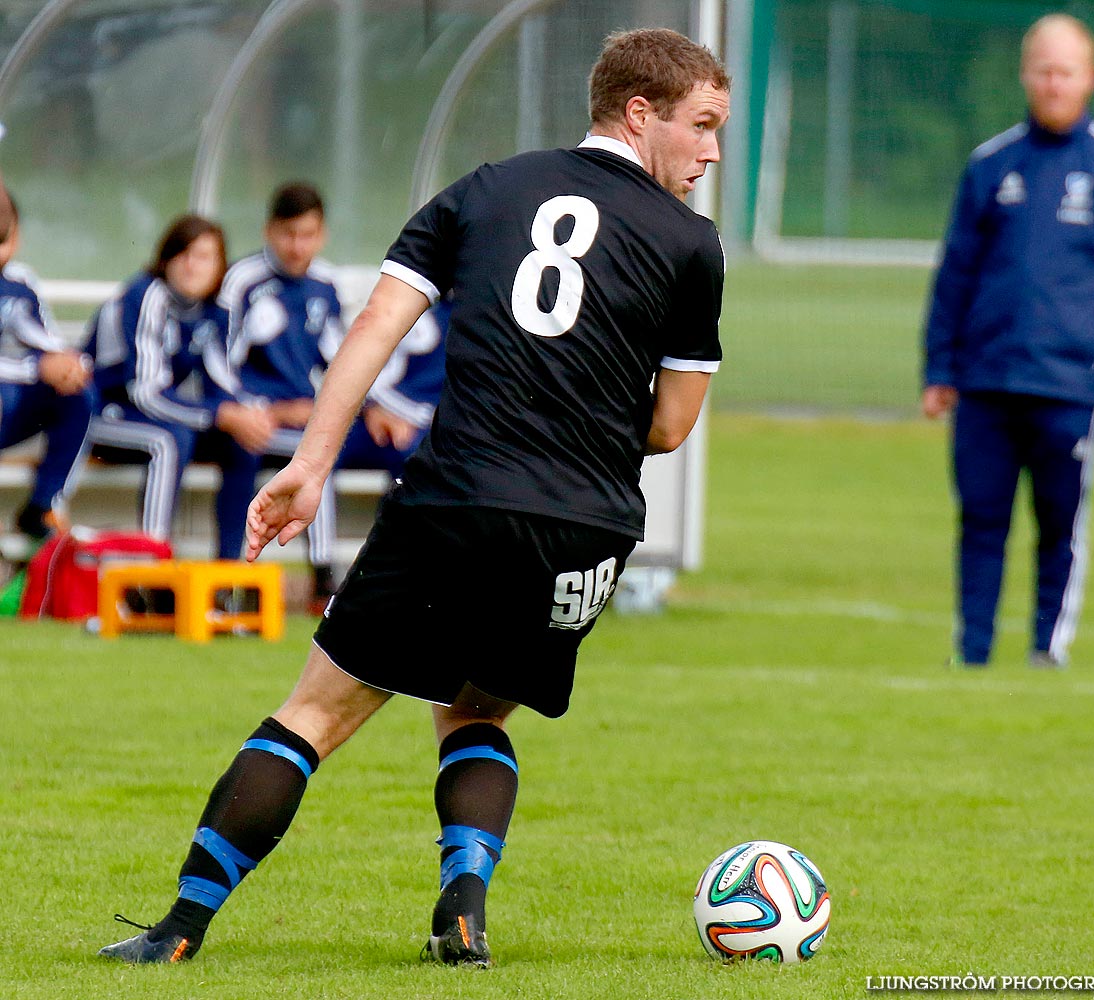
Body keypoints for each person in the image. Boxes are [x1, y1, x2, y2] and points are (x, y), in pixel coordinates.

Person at [97, 27, 729, 968]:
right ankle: (463, 918)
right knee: (476, 713)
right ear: (639, 114)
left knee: (313, 715)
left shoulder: (481, 192)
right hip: (585, 527)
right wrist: (582, 411)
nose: (712, 150)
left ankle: (178, 932)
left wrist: (310, 465)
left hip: (460, 496)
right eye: (703, 125)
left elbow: (377, 327)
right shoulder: (693, 245)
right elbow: (672, 425)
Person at [922, 13, 1094, 669]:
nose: (1054, 84)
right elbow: (956, 274)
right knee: (980, 521)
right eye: (1043, 70)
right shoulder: (990, 164)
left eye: (1067, 72)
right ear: (1026, 74)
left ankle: (1045, 650)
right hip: (986, 381)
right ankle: (972, 649)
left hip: (1069, 386)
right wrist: (939, 367)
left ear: (1089, 78)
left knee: (1059, 527)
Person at [81, 215, 275, 560]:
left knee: (243, 441)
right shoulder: (147, 295)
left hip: (156, 416)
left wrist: (248, 414)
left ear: (219, 267)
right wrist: (221, 415)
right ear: (165, 259)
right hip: (102, 414)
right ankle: (152, 569)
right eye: (183, 254)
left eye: (204, 257)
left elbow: (223, 379)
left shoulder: (213, 310)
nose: (191, 265)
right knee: (169, 440)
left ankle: (229, 572)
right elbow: (145, 391)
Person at [221, 183, 344, 612]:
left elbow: (339, 361)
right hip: (251, 418)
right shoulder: (243, 280)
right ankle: (229, 574)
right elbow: (221, 359)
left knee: (322, 452)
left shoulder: (326, 284)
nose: (298, 246)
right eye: (289, 234)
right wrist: (257, 409)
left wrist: (325, 410)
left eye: (308, 235)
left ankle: (324, 576)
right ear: (270, 231)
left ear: (322, 234)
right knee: (246, 448)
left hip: (302, 421)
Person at [0, 199, 93, 540]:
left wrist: (71, 366)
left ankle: (43, 504)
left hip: (14, 410)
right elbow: (37, 363)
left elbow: (48, 340)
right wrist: (36, 368)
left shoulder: (22, 281)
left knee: (78, 394)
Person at [336, 298, 449, 479]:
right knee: (322, 449)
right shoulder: (426, 318)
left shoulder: (484, 326)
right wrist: (371, 407)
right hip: (375, 418)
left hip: (427, 431)